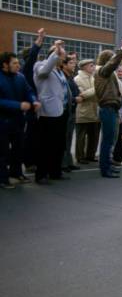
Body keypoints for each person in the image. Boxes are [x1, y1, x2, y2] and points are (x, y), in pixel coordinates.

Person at [33, 41, 72, 184]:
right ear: (53, 55)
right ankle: (41, 174)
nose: (64, 58)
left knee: (58, 144)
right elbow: (44, 71)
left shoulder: (60, 70)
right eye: (61, 55)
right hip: (48, 113)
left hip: (61, 111)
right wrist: (56, 52)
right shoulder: (40, 66)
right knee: (46, 145)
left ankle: (55, 171)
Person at [0, 52, 40, 188]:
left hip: (18, 120)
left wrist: (34, 101)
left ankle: (16, 173)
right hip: (2, 121)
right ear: (5, 65)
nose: (18, 65)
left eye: (18, 63)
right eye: (15, 63)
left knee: (18, 149)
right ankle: (3, 179)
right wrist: (18, 105)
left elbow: (29, 91)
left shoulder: (20, 77)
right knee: (3, 151)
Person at [95, 38, 122, 178]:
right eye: (113, 60)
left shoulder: (105, 74)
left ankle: (108, 165)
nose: (117, 63)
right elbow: (113, 64)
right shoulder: (103, 72)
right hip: (107, 108)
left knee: (110, 141)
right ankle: (105, 169)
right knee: (107, 141)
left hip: (111, 109)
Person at [20, 28, 45, 172]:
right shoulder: (27, 69)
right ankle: (29, 163)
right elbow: (32, 56)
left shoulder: (34, 70)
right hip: (29, 108)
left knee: (35, 136)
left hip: (36, 107)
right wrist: (39, 40)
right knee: (29, 137)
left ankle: (33, 160)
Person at [74, 59, 100, 164]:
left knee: (94, 136)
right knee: (81, 137)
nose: (93, 67)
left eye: (93, 65)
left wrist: (94, 91)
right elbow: (81, 94)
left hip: (95, 111)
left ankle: (91, 155)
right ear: (84, 67)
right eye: (91, 65)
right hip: (82, 112)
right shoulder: (77, 79)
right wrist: (96, 89)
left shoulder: (94, 78)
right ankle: (80, 157)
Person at [61, 56, 83, 172]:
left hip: (72, 110)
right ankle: (63, 163)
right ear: (64, 65)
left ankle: (68, 161)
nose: (73, 65)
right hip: (66, 111)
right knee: (64, 138)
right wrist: (75, 99)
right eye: (70, 63)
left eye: (74, 63)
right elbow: (65, 95)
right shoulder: (63, 77)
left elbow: (77, 91)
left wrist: (78, 96)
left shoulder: (71, 77)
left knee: (69, 138)